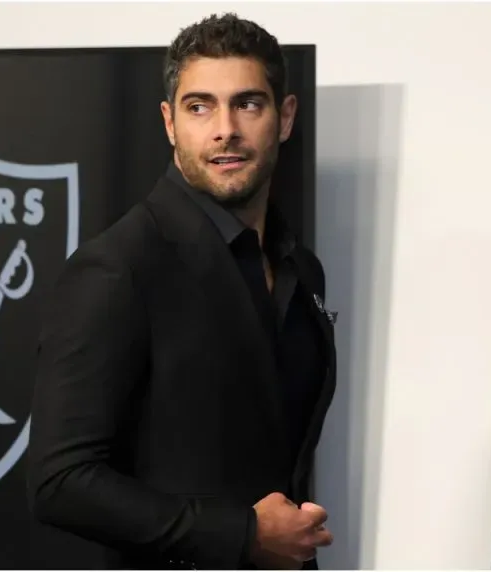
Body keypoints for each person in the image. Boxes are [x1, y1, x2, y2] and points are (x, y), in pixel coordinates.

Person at [26, 13, 338, 570]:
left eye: (248, 104)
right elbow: (61, 482)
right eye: (200, 107)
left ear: (284, 117)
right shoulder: (117, 268)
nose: (225, 130)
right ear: (170, 123)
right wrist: (244, 534)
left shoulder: (301, 270)